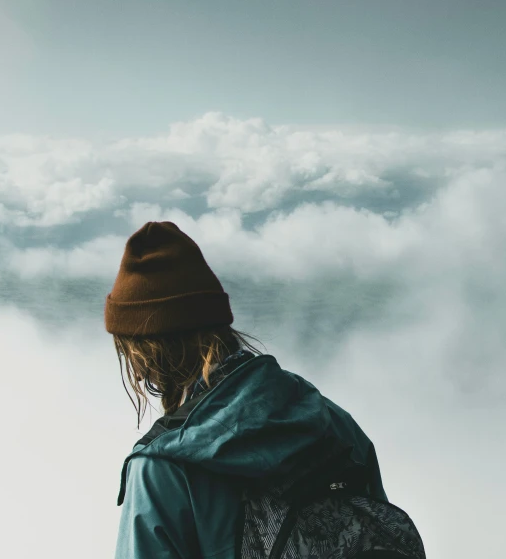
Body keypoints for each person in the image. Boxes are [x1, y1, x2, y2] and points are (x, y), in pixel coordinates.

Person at [105, 221, 401, 559]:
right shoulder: (330, 423)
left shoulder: (163, 469)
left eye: (129, 351)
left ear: (147, 351)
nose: (138, 373)